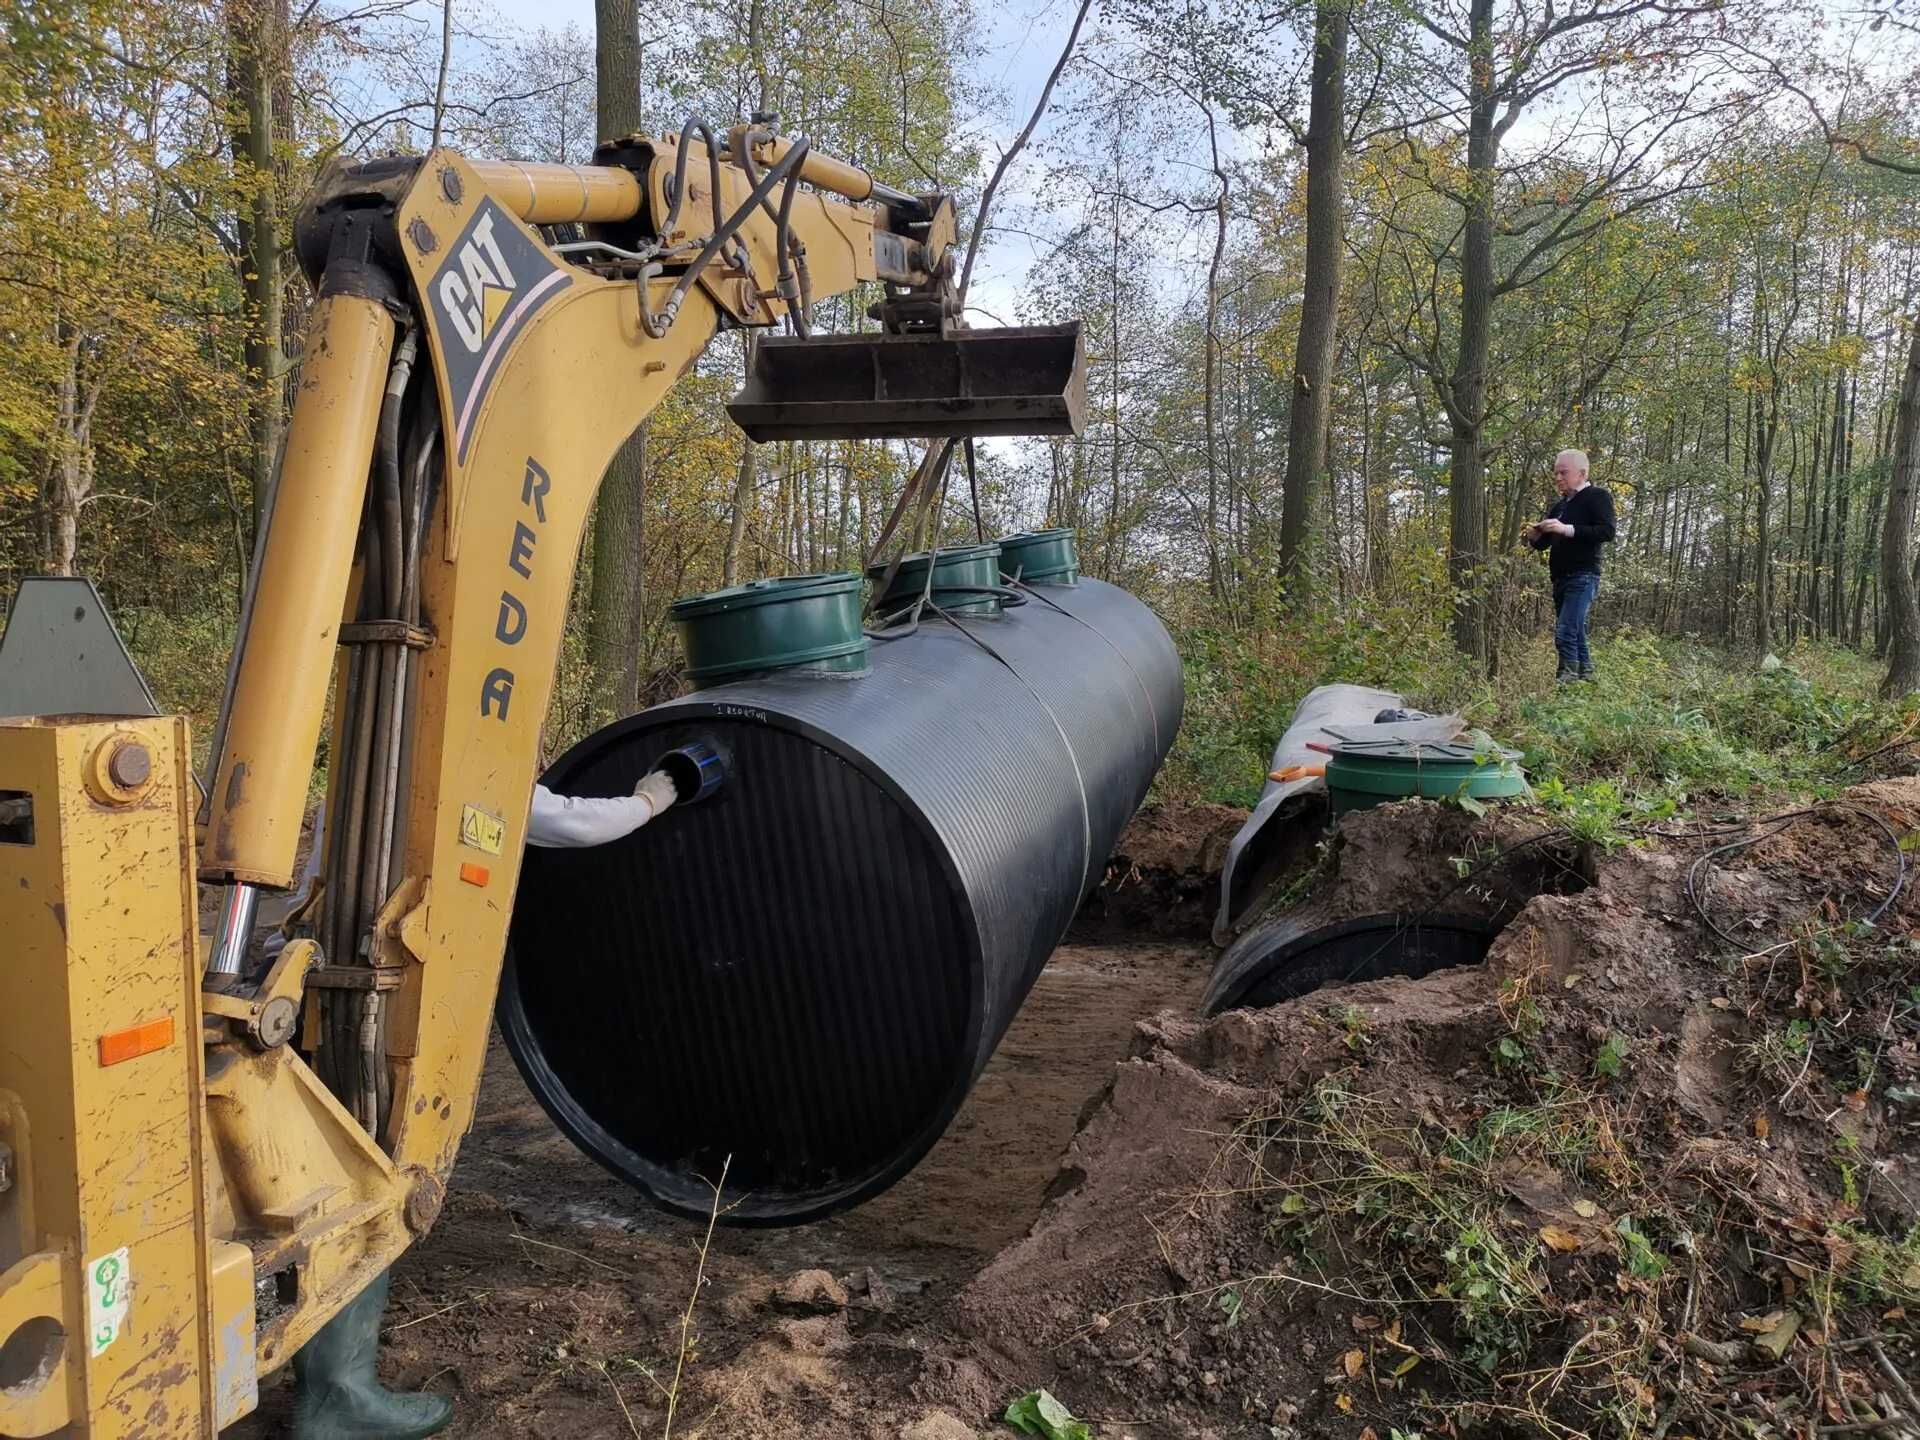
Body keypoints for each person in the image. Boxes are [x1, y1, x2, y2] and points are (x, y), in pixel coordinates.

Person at [281, 766, 680, 1439]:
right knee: (375, 1177)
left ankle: (316, 1373)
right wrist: (650, 800)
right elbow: (579, 824)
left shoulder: (365, 766)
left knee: (326, 1177)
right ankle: (336, 1397)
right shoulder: (465, 752)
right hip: (383, 999)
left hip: (311, 980)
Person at [1524, 449, 1615, 683]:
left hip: (1584, 575)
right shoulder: (1559, 507)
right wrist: (1534, 535)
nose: (1558, 478)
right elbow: (1544, 544)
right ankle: (1588, 678)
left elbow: (1607, 531)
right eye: (1556, 473)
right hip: (1560, 578)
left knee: (1566, 631)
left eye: (1563, 472)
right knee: (1576, 631)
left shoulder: (1598, 496)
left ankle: (1568, 679)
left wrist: (1566, 529)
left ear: (1582, 474)